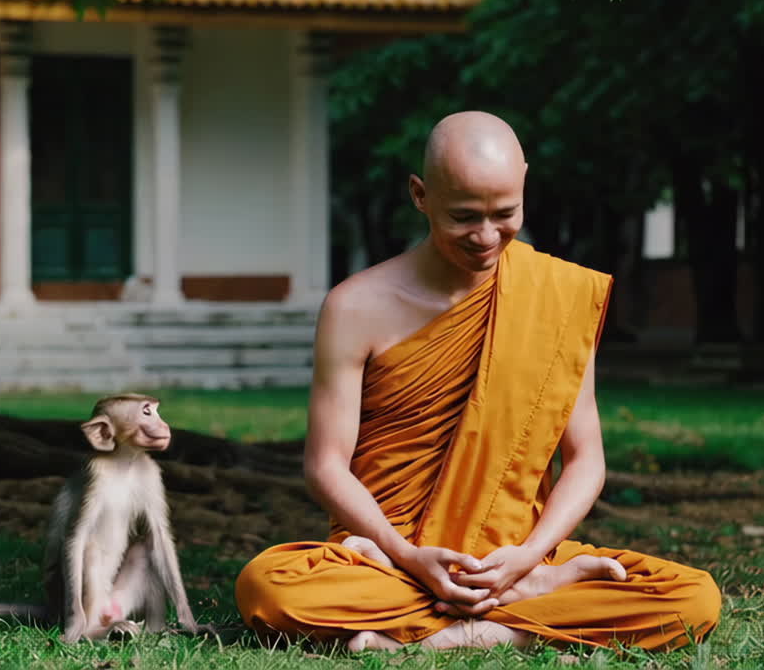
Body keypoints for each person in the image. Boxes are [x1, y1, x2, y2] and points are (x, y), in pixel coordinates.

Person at [234, 111, 720, 651]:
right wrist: (408, 555)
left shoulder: (553, 297)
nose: (487, 236)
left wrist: (529, 557)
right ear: (420, 196)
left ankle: (475, 627)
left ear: (524, 186)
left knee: (693, 598)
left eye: (505, 214)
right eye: (464, 217)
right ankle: (518, 616)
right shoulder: (355, 307)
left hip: (509, 555)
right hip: (388, 556)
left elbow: (585, 459)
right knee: (268, 589)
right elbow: (325, 465)